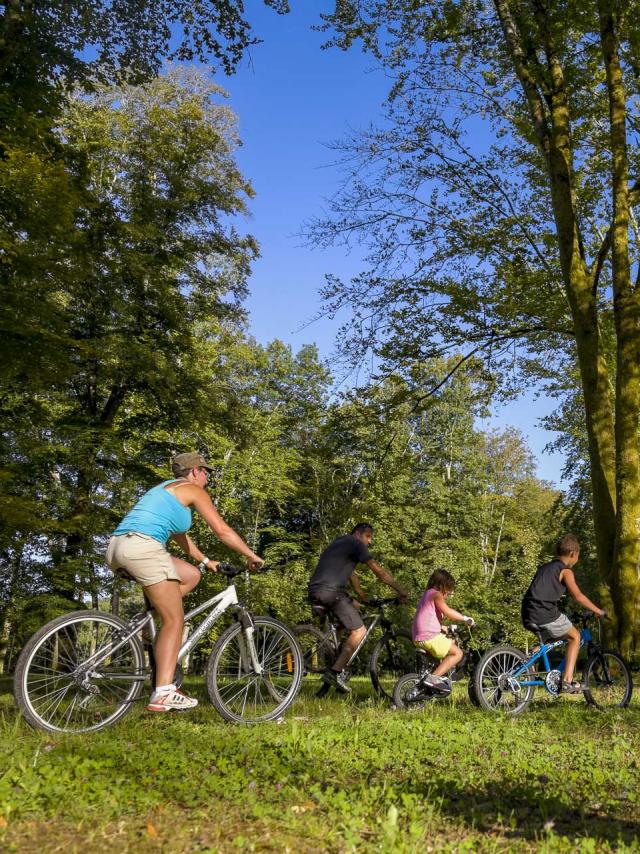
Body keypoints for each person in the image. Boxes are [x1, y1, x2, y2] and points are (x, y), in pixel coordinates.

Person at [106, 452, 263, 713]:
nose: (207, 478)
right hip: (144, 548)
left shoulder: (165, 490)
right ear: (193, 472)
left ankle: (150, 621)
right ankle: (163, 692)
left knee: (191, 575)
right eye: (205, 472)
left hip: (118, 548)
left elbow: (180, 537)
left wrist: (206, 561)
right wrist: (251, 555)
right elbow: (222, 530)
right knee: (175, 620)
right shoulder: (192, 490)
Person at [308, 522, 408, 693]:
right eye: (368, 536)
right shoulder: (355, 544)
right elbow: (380, 573)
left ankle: (335, 653)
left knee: (355, 606)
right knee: (359, 631)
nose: (369, 542)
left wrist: (362, 597)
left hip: (317, 589)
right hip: (331, 592)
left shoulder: (340, 542)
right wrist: (401, 590)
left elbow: (351, 574)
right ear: (358, 533)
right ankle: (335, 672)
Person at [521, 533, 605, 694]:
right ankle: (567, 681)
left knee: (552, 638)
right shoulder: (565, 571)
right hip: (544, 612)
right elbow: (578, 596)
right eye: (578, 556)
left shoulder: (545, 567)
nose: (577, 559)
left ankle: (527, 657)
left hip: (528, 611)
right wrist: (597, 610)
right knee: (575, 636)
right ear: (573, 554)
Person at [412, 568, 474, 693]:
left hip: (418, 636)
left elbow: (427, 618)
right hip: (428, 636)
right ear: (442, 585)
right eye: (448, 589)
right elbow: (448, 611)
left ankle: (426, 684)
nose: (449, 593)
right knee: (457, 653)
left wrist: (443, 628)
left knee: (446, 646)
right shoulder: (436, 594)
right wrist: (465, 618)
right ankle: (433, 679)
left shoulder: (427, 594)